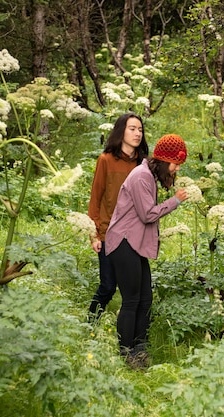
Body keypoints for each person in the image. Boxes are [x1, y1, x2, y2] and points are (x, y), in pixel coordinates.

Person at [105, 134, 189, 369]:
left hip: (134, 242)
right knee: (132, 300)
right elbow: (148, 214)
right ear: (164, 160)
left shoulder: (149, 176)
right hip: (123, 242)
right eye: (175, 164)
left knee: (145, 298)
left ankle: (140, 348)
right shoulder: (142, 176)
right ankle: (126, 353)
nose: (176, 169)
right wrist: (175, 201)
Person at [87, 113, 149, 321]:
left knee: (133, 291)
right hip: (108, 233)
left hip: (134, 236)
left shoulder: (142, 165)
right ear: (121, 131)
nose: (137, 133)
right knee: (107, 285)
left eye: (140, 129)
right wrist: (93, 234)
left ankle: (132, 334)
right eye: (132, 128)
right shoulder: (105, 160)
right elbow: (96, 198)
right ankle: (90, 324)